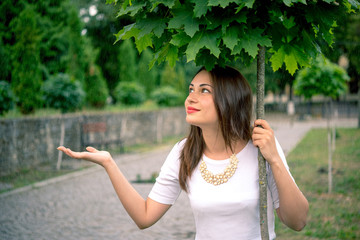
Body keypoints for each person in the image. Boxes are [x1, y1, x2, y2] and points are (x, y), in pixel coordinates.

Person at [58, 65, 309, 240]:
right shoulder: (184, 152)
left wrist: (274, 159)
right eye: (191, 89)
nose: (191, 98)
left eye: (204, 91)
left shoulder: (261, 148)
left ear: (229, 100)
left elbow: (297, 221)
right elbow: (145, 216)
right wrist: (109, 163)